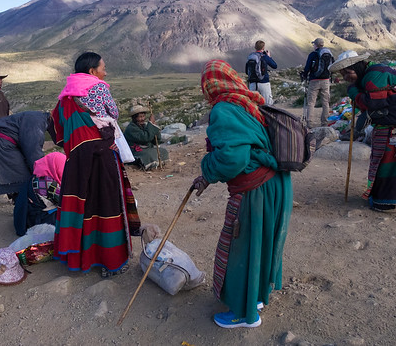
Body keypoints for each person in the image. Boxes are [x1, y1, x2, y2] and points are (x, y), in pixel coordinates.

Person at [192, 60, 293, 329]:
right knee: (259, 243)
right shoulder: (247, 101)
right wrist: (206, 177)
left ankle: (243, 313)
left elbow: (231, 159)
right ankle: (256, 297)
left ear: (210, 85)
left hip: (254, 190)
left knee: (241, 247)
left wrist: (207, 169)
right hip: (274, 182)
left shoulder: (224, 109)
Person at [49, 51, 141, 277]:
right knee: (107, 203)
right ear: (92, 71)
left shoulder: (65, 98)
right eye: (103, 68)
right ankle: (110, 259)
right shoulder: (98, 87)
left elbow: (57, 129)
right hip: (102, 155)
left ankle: (80, 256)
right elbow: (114, 113)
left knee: (83, 205)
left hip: (77, 162)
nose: (105, 72)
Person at [329, 51, 396, 212]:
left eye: (348, 73)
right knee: (389, 156)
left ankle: (392, 200)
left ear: (357, 67)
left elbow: (374, 103)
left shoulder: (374, 75)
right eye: (343, 74)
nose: (347, 77)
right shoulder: (367, 76)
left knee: (392, 157)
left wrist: (354, 94)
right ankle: (391, 196)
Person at [0, 111, 51, 196]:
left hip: (4, 143)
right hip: (4, 145)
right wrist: (43, 173)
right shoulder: (36, 121)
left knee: (23, 178)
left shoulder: (37, 117)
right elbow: (33, 150)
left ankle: (20, 201)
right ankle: (22, 203)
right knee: (21, 179)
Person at [12, 152, 66, 236]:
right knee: (70, 217)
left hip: (28, 215)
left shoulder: (40, 175)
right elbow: (65, 202)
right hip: (39, 220)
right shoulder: (49, 184)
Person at [301, 38, 334, 128]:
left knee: (311, 102)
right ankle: (324, 123)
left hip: (314, 80)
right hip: (326, 80)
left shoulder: (313, 54)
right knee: (325, 102)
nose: (313, 46)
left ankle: (309, 123)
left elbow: (307, 67)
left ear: (316, 45)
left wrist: (304, 75)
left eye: (313, 44)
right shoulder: (328, 54)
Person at [124, 104, 169, 170]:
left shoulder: (143, 125)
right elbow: (145, 138)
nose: (142, 119)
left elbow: (155, 141)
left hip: (146, 149)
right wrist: (150, 124)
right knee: (149, 155)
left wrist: (154, 127)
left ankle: (156, 163)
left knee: (162, 151)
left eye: (143, 116)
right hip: (135, 152)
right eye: (140, 117)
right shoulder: (131, 128)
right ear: (134, 118)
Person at [245, 40, 277, 105]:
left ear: (255, 47)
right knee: (268, 104)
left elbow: (246, 71)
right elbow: (274, 66)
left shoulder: (251, 57)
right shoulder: (264, 57)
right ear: (263, 48)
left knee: (253, 105)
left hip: (252, 84)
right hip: (263, 82)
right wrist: (269, 57)